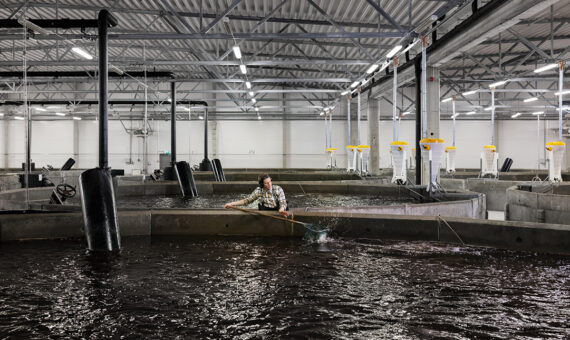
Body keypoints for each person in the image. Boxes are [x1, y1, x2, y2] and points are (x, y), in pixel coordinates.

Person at [224, 173, 289, 217]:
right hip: (265, 215)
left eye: (270, 181)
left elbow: (283, 202)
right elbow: (246, 201)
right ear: (262, 184)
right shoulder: (258, 191)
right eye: (266, 183)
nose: (269, 184)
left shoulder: (278, 188)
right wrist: (231, 204)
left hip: (278, 212)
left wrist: (281, 209)